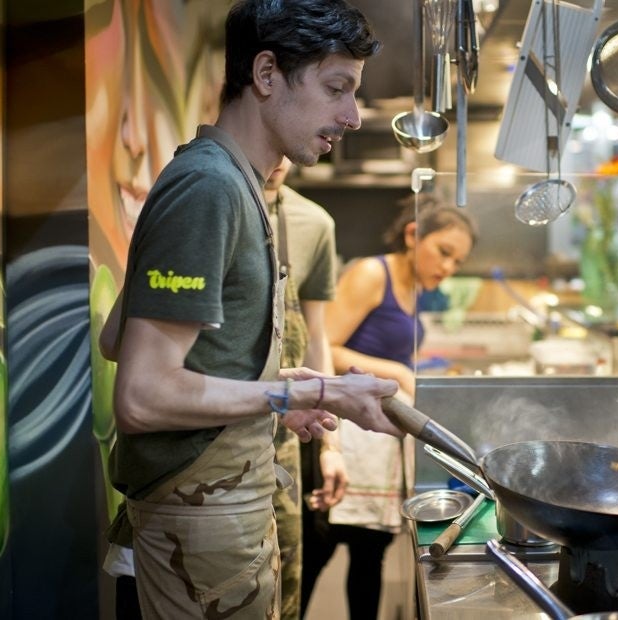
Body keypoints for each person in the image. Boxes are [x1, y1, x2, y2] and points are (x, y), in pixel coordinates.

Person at [104, 2, 403, 617]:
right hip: (195, 521)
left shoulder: (235, 183)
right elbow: (141, 395)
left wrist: (303, 385)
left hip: (222, 510)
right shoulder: (210, 187)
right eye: (336, 89)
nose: (350, 116)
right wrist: (296, 396)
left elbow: (118, 337)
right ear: (267, 75)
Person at [300, 197, 476, 619]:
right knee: (314, 560)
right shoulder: (369, 273)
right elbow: (324, 347)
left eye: (457, 261)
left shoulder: (413, 288)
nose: (448, 268)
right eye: (444, 252)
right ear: (413, 235)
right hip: (341, 436)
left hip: (377, 444)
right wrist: (397, 370)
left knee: (368, 558)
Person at [264, 156, 349, 620]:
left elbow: (316, 336)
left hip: (287, 428)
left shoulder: (315, 223)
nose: (278, 161)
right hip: (222, 422)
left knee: (288, 569)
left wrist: (331, 447)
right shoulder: (218, 204)